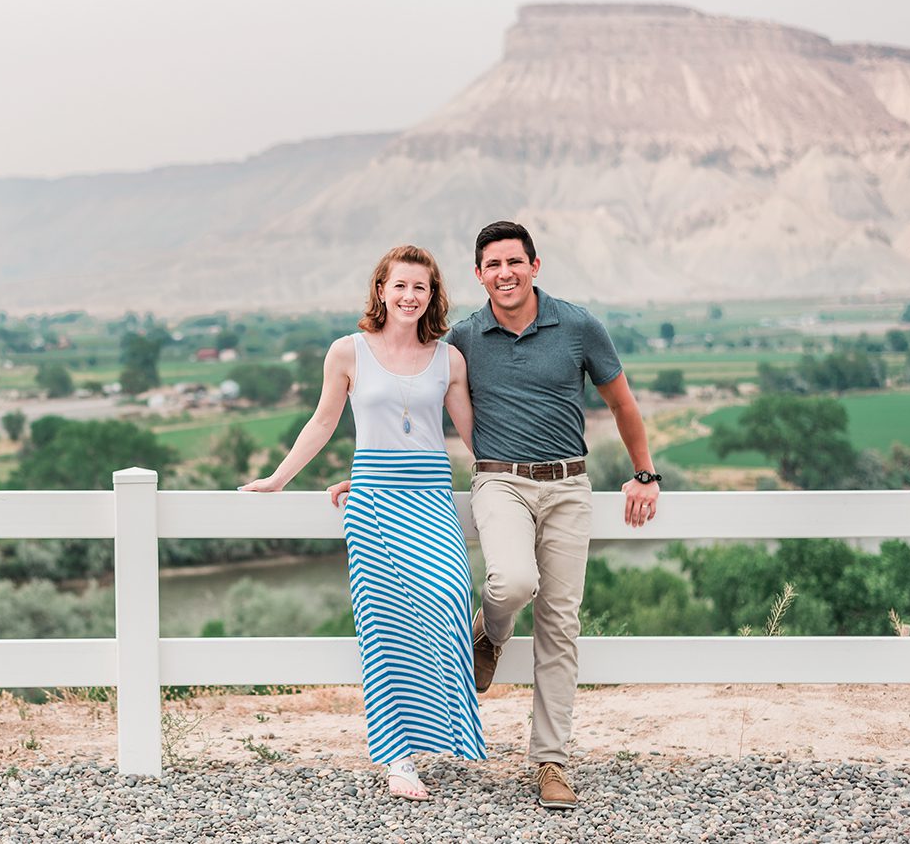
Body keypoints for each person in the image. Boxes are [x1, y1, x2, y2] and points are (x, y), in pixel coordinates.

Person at [330, 221, 660, 811]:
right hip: (500, 480)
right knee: (511, 581)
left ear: (535, 265)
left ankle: (551, 761)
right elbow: (409, 397)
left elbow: (622, 401)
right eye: (492, 265)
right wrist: (369, 471)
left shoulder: (579, 326)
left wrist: (643, 473)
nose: (504, 273)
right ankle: (491, 631)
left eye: (515, 261)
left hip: (569, 485)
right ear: (479, 275)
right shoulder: (461, 341)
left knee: (560, 622)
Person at [240, 245, 486, 801]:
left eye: (420, 288)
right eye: (399, 286)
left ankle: (442, 732)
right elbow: (323, 421)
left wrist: (515, 480)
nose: (409, 296)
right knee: (383, 628)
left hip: (430, 499)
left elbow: (474, 437)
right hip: (373, 501)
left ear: (432, 295)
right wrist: (278, 479)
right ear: (381, 289)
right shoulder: (347, 352)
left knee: (447, 601)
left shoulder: (449, 359)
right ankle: (398, 760)